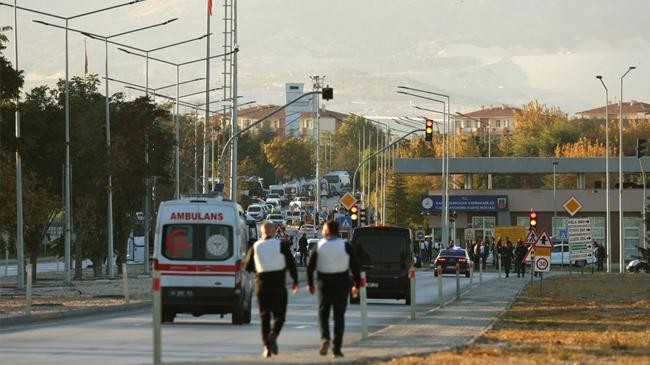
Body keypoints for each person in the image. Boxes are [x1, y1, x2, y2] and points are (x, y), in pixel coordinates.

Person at [244, 221, 299, 358]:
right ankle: (273, 335)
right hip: (278, 284)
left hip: (262, 284)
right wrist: (295, 281)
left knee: (265, 316)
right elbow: (291, 264)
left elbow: (247, 266)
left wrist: (257, 269)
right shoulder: (282, 245)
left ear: (262, 232)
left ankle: (266, 348)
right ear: (274, 232)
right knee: (280, 315)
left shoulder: (256, 246)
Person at [307, 220, 360, 358]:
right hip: (342, 283)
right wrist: (357, 285)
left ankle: (325, 338)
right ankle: (337, 348)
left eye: (324, 229)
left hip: (324, 283)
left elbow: (310, 266)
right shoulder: (346, 246)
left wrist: (310, 284)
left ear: (327, 231)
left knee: (323, 314)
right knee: (339, 316)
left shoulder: (319, 246)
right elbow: (354, 266)